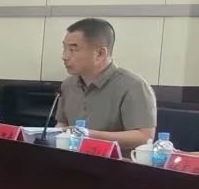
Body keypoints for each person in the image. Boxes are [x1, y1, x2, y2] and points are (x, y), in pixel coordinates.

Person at [55, 18, 155, 151]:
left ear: (100, 54)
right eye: (65, 48)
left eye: (73, 49)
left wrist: (87, 135)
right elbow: (62, 124)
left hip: (115, 162)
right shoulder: (68, 85)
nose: (65, 56)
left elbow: (144, 137)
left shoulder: (134, 86)